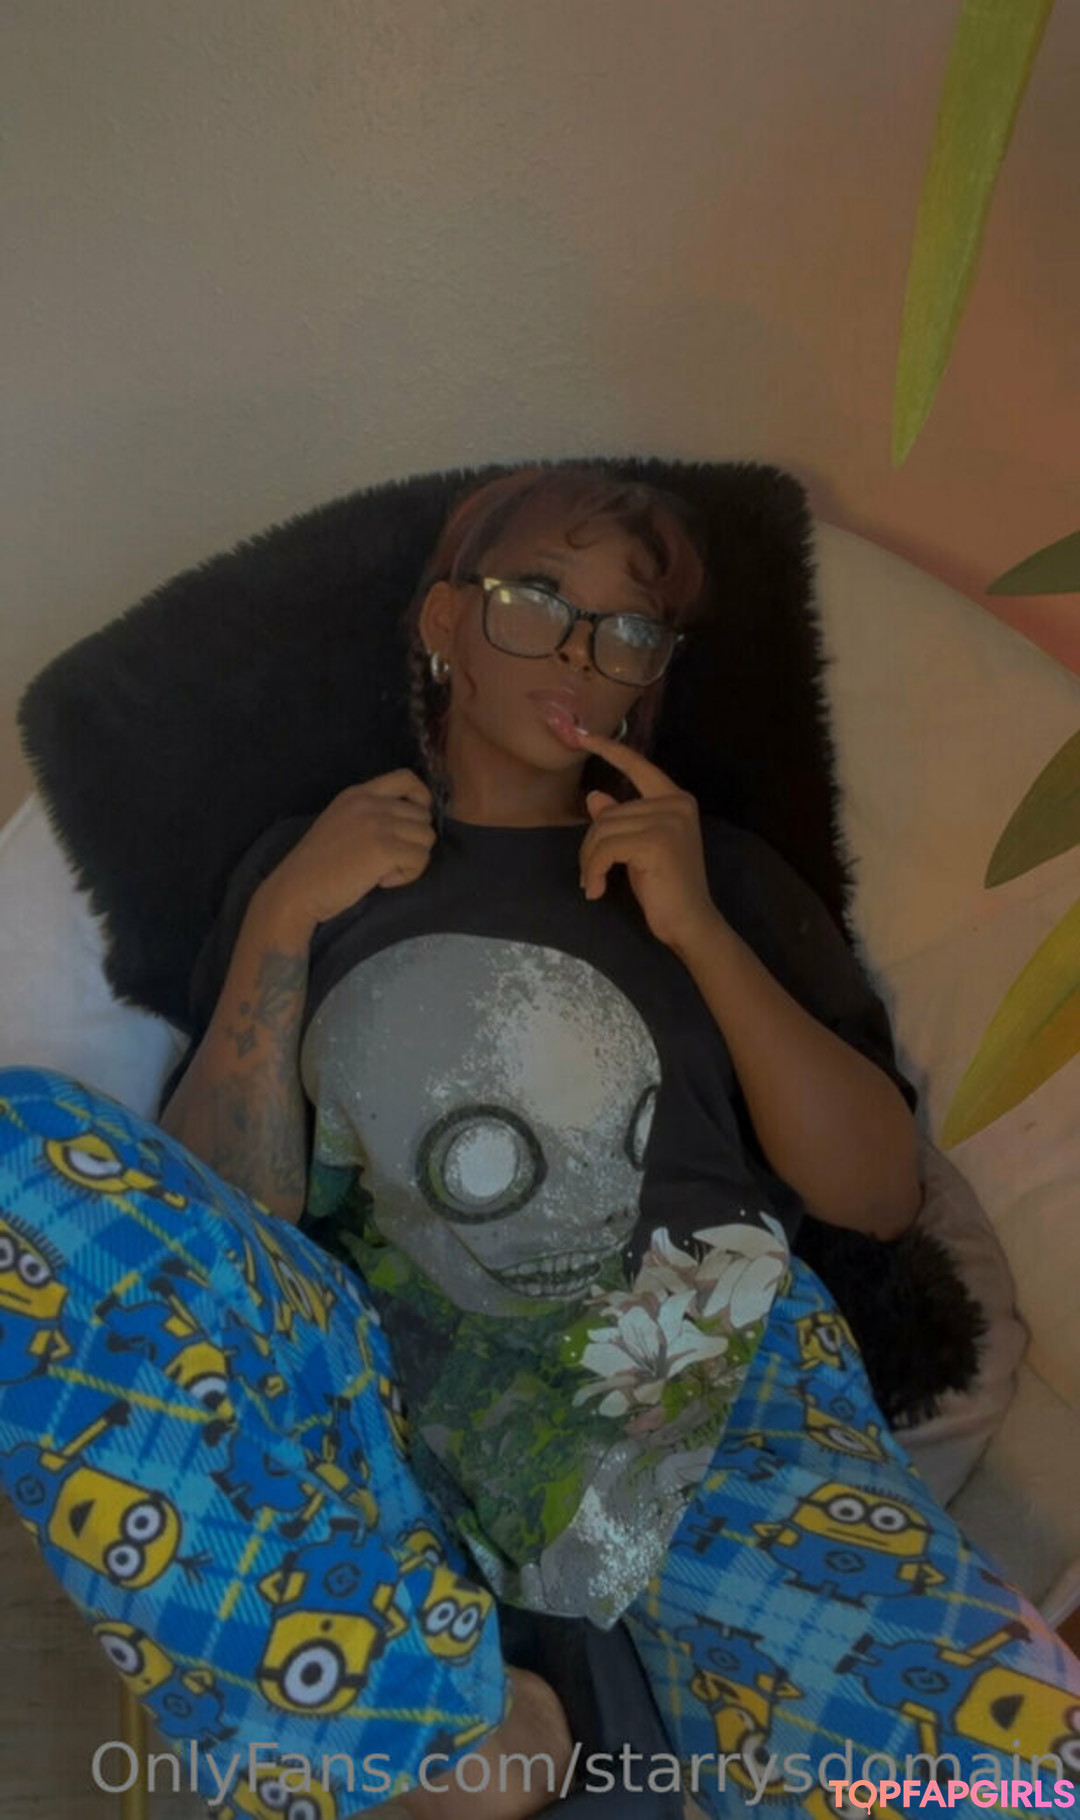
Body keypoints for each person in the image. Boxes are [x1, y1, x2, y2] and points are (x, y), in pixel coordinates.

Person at [1, 464, 1077, 1820]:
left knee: (986, 1777)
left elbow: (873, 1191)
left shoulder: (714, 871)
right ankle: (439, 1725)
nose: (580, 652)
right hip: (387, 1409)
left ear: (649, 679)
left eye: (628, 629)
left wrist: (698, 929)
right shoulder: (307, 865)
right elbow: (217, 1240)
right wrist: (283, 915)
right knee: (18, 1150)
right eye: (539, 600)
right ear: (445, 622)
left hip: (691, 1362)